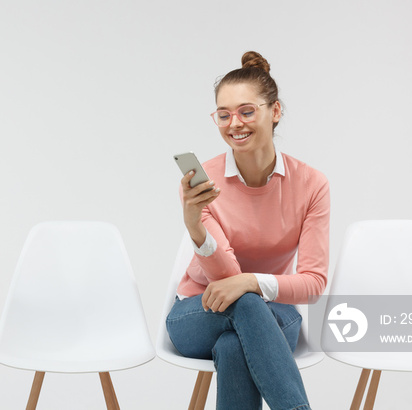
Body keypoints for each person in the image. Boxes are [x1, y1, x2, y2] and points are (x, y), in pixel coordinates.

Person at [166, 51, 329, 410]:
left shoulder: (311, 184)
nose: (234, 123)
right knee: (245, 307)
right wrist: (195, 227)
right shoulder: (201, 184)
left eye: (246, 111)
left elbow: (314, 283)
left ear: (275, 111)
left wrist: (251, 282)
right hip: (199, 312)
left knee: (235, 343)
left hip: (272, 314)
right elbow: (225, 280)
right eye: (223, 115)